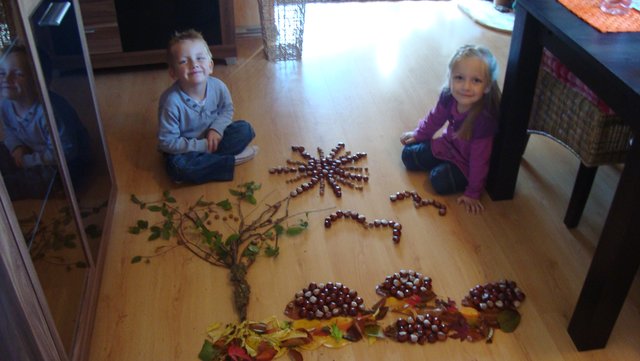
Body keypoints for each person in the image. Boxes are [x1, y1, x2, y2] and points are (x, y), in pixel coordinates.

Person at [400, 45, 501, 214]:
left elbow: (479, 160)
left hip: (466, 164)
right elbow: (434, 119)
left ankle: (444, 167)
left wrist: (473, 193)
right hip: (446, 146)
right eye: (459, 78)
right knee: (408, 155)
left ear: (488, 86)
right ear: (450, 78)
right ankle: (441, 162)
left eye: (476, 80)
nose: (466, 87)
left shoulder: (483, 120)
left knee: (437, 181)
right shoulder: (448, 96)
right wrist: (419, 134)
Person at [158, 29, 257, 184]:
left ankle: (210, 163)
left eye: (200, 58)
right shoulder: (171, 102)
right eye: (184, 61)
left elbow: (227, 110)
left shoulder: (218, 87)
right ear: (173, 73)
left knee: (245, 129)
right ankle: (230, 160)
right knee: (178, 168)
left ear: (210, 66)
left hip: (214, 138)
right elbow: (167, 142)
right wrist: (203, 146)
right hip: (187, 150)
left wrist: (216, 129)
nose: (194, 64)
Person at [0, 44, 90, 200]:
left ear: (38, 81)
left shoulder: (49, 111)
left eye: (18, 74)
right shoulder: (5, 105)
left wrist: (29, 161)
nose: (6, 79)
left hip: (68, 158)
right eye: (2, 73)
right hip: (34, 150)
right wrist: (17, 148)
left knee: (52, 178)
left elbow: (67, 151)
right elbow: (10, 132)